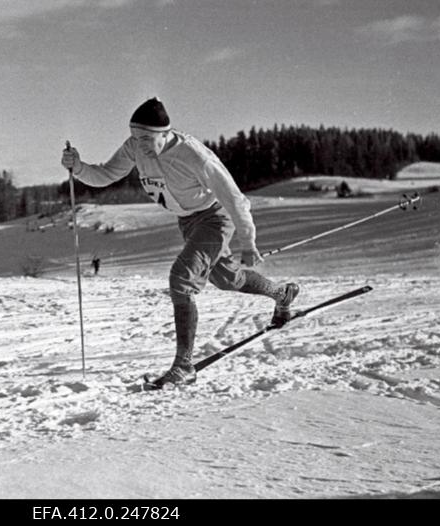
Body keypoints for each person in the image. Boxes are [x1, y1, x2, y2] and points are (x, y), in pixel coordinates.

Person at [61, 98, 299, 387]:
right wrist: (79, 166)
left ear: (166, 134)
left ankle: (183, 365)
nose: (141, 144)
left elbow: (236, 200)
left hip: (214, 217)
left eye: (147, 138)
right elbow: (106, 175)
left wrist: (248, 242)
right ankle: (281, 293)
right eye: (136, 137)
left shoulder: (194, 155)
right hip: (187, 221)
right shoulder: (135, 147)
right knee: (227, 279)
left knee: (182, 279)